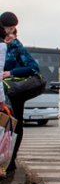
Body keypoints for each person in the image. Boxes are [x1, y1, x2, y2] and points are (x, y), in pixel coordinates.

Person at [0, 11, 41, 173]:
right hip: (3, 91)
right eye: (7, 28)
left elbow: (33, 68)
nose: (10, 32)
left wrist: (11, 73)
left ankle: (10, 159)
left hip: (14, 90)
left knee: (14, 124)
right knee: (5, 125)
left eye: (13, 29)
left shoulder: (16, 45)